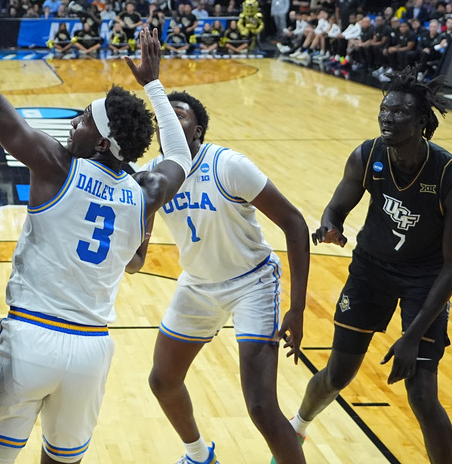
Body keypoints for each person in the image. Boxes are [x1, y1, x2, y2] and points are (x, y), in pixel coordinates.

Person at [0, 0, 192, 464]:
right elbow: (181, 156)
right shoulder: (144, 190)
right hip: (92, 352)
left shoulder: (58, 166)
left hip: (31, 339)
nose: (72, 123)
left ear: (98, 141)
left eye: (81, 120)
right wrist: (155, 86)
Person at [286, 69, 452, 462]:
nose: (387, 118)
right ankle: (297, 429)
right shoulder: (368, 154)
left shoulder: (446, 172)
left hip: (425, 279)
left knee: (422, 393)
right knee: (338, 375)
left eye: (398, 113)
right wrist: (330, 225)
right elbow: (336, 207)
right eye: (384, 110)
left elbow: (450, 267)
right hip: (371, 271)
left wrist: (412, 336)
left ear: (421, 122)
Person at [141, 92, 310, 464]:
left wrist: (297, 309)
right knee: (162, 381)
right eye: (161, 117)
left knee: (262, 408)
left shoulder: (228, 165)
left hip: (252, 282)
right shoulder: (155, 175)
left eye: (177, 115)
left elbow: (295, 223)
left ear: (197, 130)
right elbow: (136, 258)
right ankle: (198, 456)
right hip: (198, 284)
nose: (166, 121)